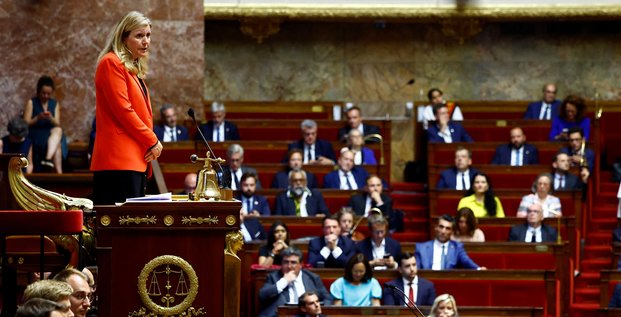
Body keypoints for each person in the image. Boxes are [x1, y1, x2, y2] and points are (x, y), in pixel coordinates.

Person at [91, 11, 163, 205]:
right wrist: (152, 140)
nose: (145, 41)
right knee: (120, 230)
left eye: (148, 35)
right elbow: (123, 110)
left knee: (132, 230)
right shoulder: (111, 63)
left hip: (133, 161)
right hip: (118, 162)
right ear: (123, 38)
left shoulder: (131, 69)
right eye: (139, 36)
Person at [257, 247, 332, 317]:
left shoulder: (313, 277)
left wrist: (317, 311)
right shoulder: (273, 277)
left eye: (293, 262)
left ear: (301, 264)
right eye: (286, 262)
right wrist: (284, 281)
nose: (289, 266)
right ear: (281, 264)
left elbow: (327, 298)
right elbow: (262, 295)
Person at [23, 75, 67, 173]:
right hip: (35, 132)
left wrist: (51, 118)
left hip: (49, 133)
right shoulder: (32, 102)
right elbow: (25, 123)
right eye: (44, 93)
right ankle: (59, 173)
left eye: (48, 94)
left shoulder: (54, 103)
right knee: (58, 146)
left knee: (58, 131)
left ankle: (47, 159)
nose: (46, 96)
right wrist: (38, 118)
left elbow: (58, 124)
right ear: (39, 91)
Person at [414, 215, 483, 270]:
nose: (443, 231)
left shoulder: (457, 247)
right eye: (441, 227)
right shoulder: (421, 247)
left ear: (452, 232)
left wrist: (479, 268)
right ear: (436, 228)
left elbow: (466, 261)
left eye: (448, 228)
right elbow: (416, 270)